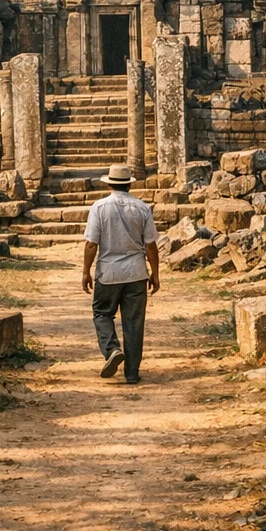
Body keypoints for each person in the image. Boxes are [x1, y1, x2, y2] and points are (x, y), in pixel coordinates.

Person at [81, 163, 160, 384]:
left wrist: (86, 271)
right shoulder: (142, 208)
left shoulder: (99, 207)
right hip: (136, 272)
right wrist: (155, 273)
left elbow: (91, 244)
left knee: (102, 313)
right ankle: (132, 373)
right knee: (134, 322)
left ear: (109, 184)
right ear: (128, 185)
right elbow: (151, 245)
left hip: (108, 272)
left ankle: (112, 349)